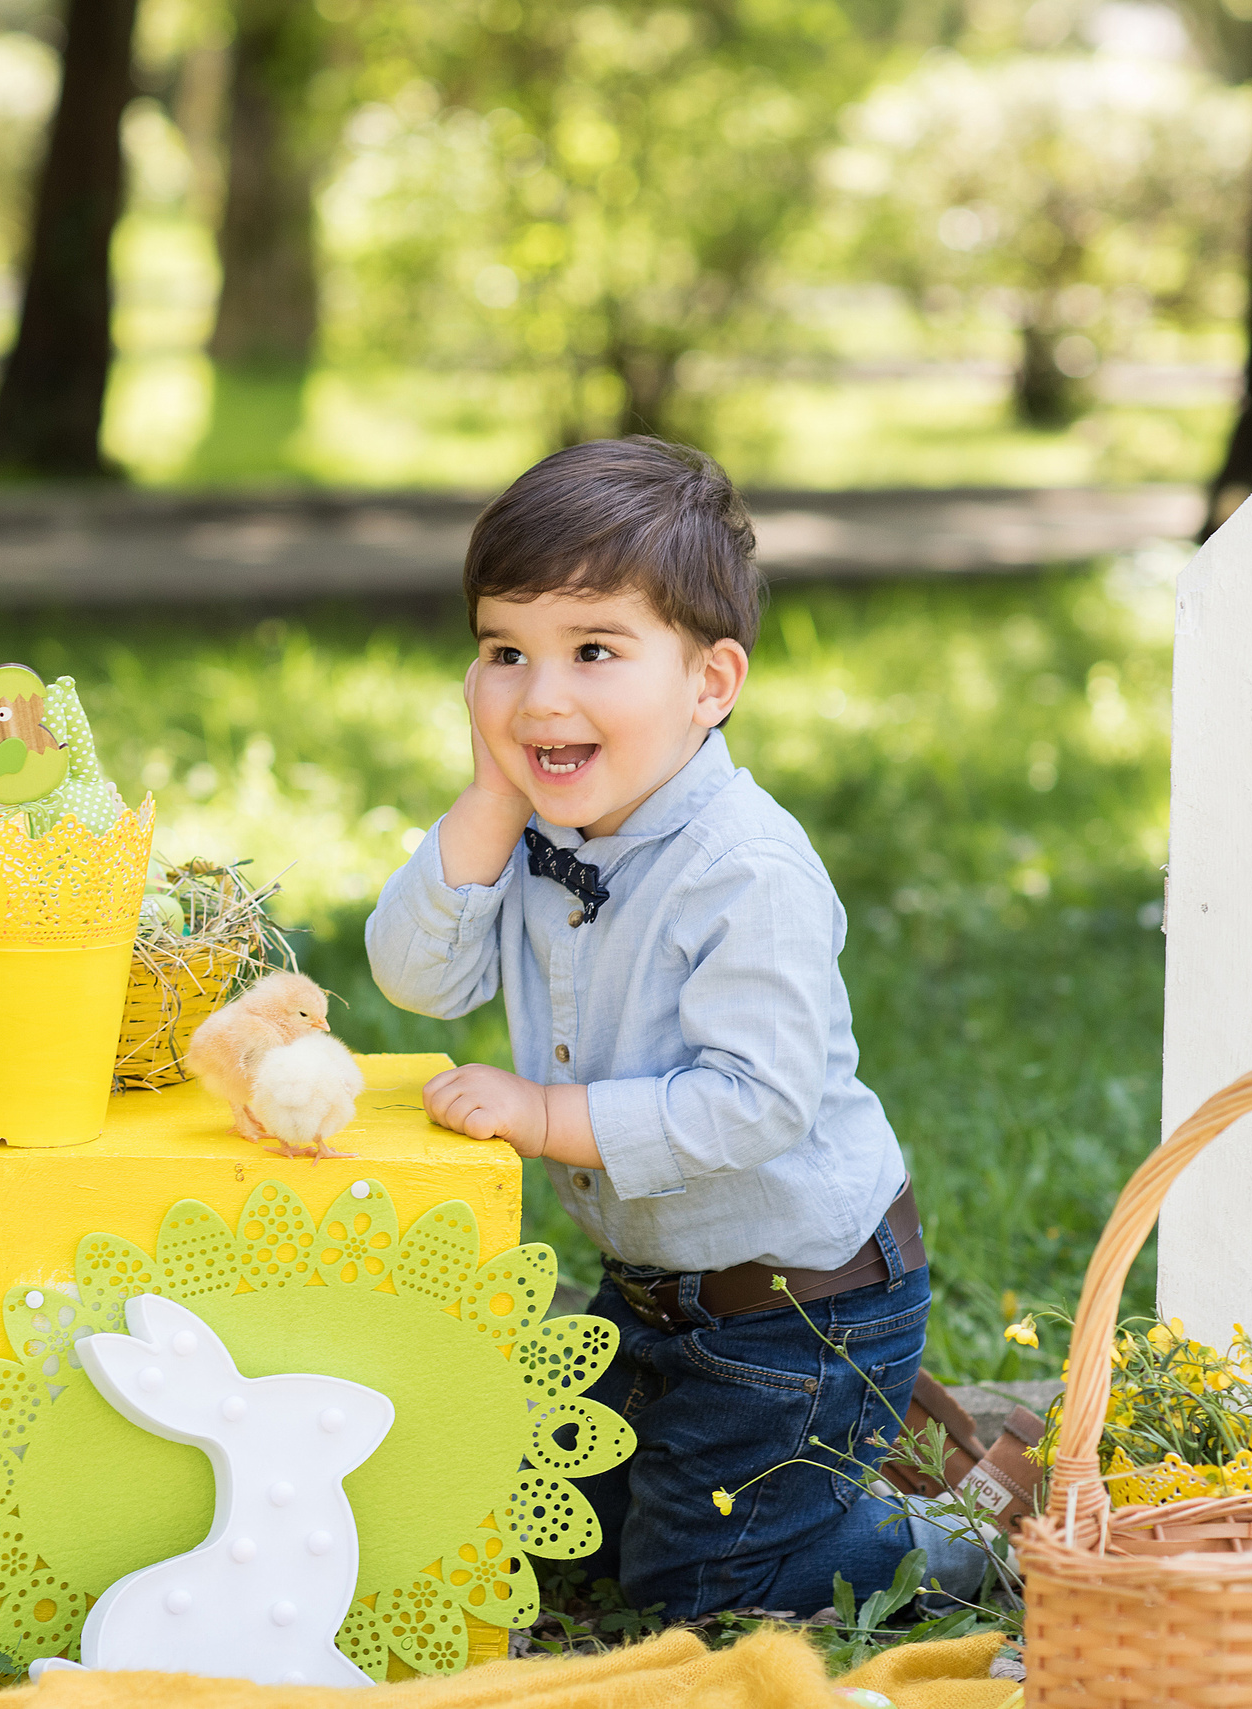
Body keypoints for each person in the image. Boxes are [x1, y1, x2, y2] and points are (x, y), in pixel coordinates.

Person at [364, 436, 985, 1620]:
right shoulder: (546, 822)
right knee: (538, 1534)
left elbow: (757, 1099)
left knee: (697, 1589)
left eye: (594, 649)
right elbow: (416, 976)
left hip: (800, 1307)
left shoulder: (743, 869)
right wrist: (492, 798)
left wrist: (546, 1116)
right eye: (504, 651)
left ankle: (942, 1529)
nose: (539, 695)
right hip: (655, 1295)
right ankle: (751, 1489)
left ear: (709, 683)